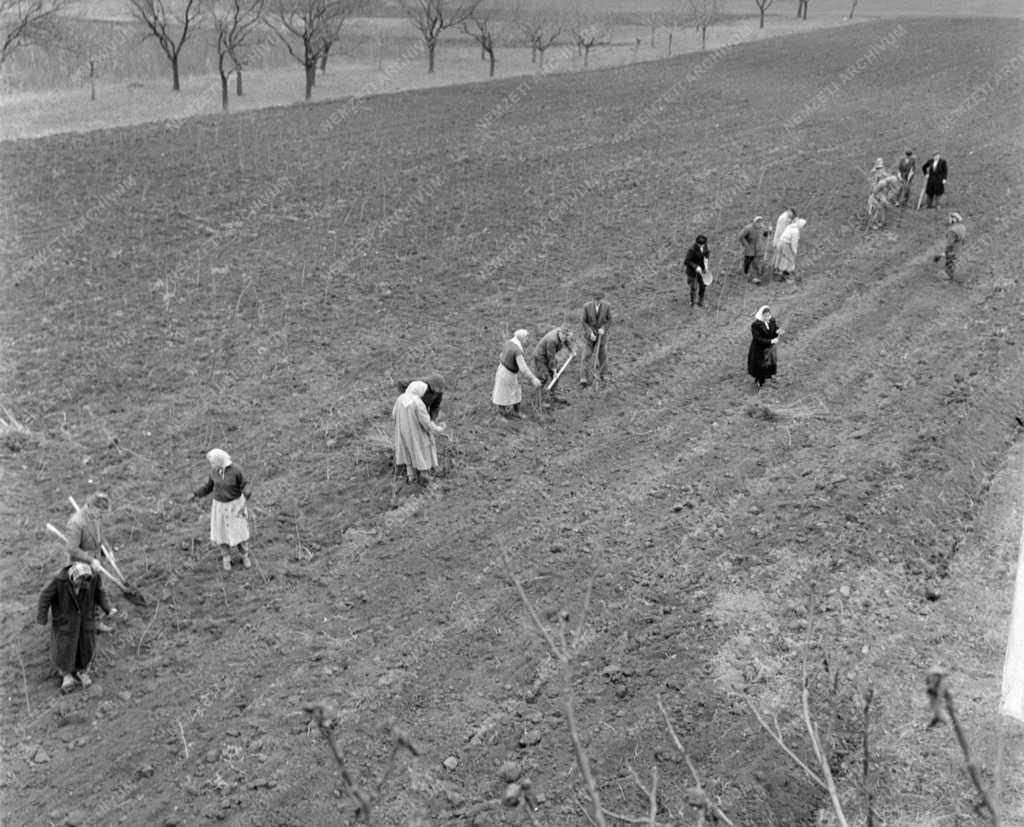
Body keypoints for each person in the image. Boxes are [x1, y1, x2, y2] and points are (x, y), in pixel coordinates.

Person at [37, 562, 116, 693]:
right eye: (79, 580)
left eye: (84, 580)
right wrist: (42, 617)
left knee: (86, 647)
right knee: (64, 649)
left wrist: (108, 608)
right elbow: (44, 596)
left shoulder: (93, 578)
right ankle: (66, 676)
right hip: (65, 622)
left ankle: (82, 672)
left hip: (85, 621)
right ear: (72, 577)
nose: (81, 583)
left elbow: (100, 593)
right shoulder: (58, 581)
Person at [190, 449, 252, 572]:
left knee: (240, 531)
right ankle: (226, 558)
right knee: (221, 533)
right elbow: (208, 487)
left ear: (220, 461)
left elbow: (245, 484)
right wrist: (196, 494)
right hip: (220, 507)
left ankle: (244, 556)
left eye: (213, 462)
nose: (212, 465)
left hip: (235, 506)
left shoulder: (236, 470)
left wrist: (247, 492)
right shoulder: (214, 472)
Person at [65, 491, 113, 633]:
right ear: (91, 507)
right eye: (100, 513)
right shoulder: (75, 523)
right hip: (80, 565)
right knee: (86, 595)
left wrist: (108, 551)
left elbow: (100, 537)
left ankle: (99, 616)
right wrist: (91, 560)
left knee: (97, 588)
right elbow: (72, 549)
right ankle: (89, 624)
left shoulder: (96, 516)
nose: (101, 516)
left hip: (95, 560)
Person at [392, 380, 447, 483]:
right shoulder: (418, 403)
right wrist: (439, 429)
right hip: (417, 434)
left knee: (407, 453)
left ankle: (411, 478)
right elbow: (426, 423)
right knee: (421, 452)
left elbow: (394, 414)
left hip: (403, 434)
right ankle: (424, 477)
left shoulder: (400, 399)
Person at [492, 329, 542, 417]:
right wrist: (533, 378)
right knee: (503, 394)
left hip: (506, 371)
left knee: (516, 392)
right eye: (526, 338)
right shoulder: (517, 350)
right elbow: (523, 368)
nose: (527, 340)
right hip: (506, 374)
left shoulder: (508, 343)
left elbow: (501, 355)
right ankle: (500, 415)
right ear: (521, 338)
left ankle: (517, 412)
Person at [532, 327, 574, 406]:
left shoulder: (563, 336)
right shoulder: (552, 340)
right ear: (560, 332)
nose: (564, 337)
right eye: (563, 335)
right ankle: (538, 401)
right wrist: (553, 371)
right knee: (543, 377)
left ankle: (553, 395)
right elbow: (551, 357)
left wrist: (571, 350)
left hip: (548, 356)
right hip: (540, 357)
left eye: (566, 335)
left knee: (557, 373)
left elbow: (566, 341)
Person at [580, 291, 612, 385]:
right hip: (590, 336)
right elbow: (583, 321)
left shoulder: (607, 306)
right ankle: (583, 377)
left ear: (601, 299)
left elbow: (610, 319)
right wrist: (590, 333)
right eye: (595, 299)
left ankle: (604, 374)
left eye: (599, 299)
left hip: (602, 335)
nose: (597, 301)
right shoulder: (586, 307)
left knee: (603, 355)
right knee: (586, 355)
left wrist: (603, 328)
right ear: (592, 299)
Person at [747, 305, 781, 389]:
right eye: (765, 315)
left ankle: (771, 376)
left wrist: (779, 331)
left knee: (772, 362)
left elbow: (775, 329)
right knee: (760, 366)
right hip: (759, 349)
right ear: (761, 315)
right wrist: (771, 341)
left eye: (768, 315)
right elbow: (758, 339)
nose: (767, 317)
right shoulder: (755, 325)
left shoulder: (771, 321)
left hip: (769, 348)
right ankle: (759, 381)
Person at [935, 212, 966, 280]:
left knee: (949, 265)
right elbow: (963, 240)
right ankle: (955, 277)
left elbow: (950, 244)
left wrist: (942, 254)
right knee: (955, 264)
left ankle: (949, 278)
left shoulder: (952, 230)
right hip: (959, 249)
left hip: (952, 251)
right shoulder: (962, 227)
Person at [738, 217, 768, 284]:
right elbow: (740, 237)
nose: (759, 224)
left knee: (757, 263)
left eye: (760, 222)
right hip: (750, 248)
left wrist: (767, 233)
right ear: (754, 222)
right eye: (757, 222)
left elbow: (765, 234)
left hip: (759, 249)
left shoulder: (763, 227)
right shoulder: (748, 228)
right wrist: (746, 245)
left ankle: (756, 277)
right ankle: (746, 273)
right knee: (748, 261)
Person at [684, 235, 710, 308]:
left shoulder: (705, 246)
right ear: (697, 243)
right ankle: (692, 302)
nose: (701, 246)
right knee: (694, 287)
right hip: (692, 272)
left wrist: (706, 266)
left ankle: (700, 301)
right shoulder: (691, 250)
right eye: (700, 244)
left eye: (703, 244)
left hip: (702, 270)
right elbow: (686, 261)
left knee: (703, 285)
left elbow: (706, 255)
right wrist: (696, 267)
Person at [771, 208, 796, 276]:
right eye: (792, 215)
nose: (792, 217)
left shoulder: (785, 217)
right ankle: (780, 271)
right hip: (782, 240)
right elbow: (782, 230)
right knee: (781, 256)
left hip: (781, 240)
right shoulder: (783, 218)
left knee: (781, 256)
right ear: (790, 212)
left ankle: (781, 270)